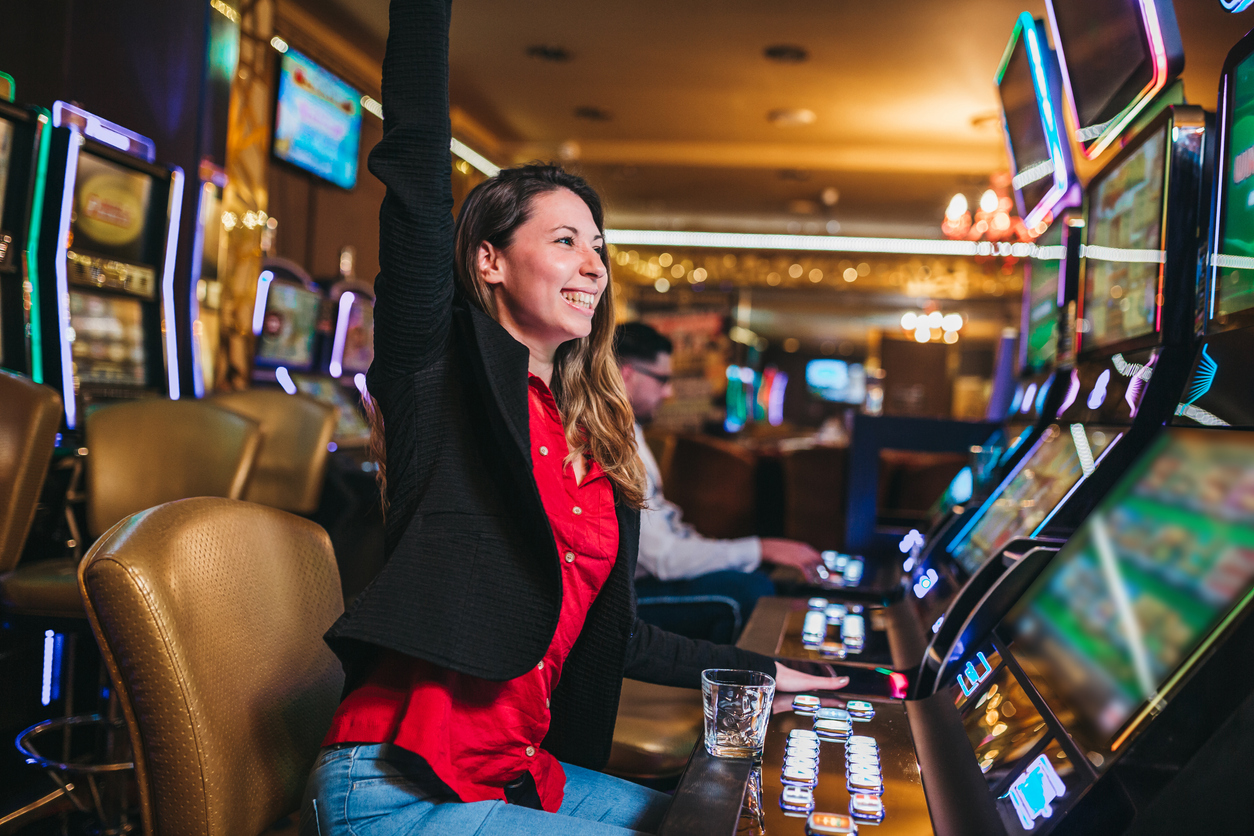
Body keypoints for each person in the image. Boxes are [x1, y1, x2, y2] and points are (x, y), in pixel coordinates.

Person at [300, 2, 846, 835]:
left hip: (516, 775)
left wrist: (765, 668)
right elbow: (413, 173)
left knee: (741, 825)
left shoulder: (588, 436)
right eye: (564, 240)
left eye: (597, 245)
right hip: (397, 786)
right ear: (488, 260)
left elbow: (617, 638)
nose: (592, 263)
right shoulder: (441, 385)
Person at [616, 323, 825, 643]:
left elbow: (667, 533)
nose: (669, 392)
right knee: (748, 590)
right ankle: (738, 689)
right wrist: (760, 548)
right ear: (626, 374)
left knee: (758, 578)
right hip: (623, 596)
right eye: (662, 380)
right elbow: (663, 559)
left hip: (649, 576)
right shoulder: (613, 441)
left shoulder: (633, 430)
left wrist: (754, 552)